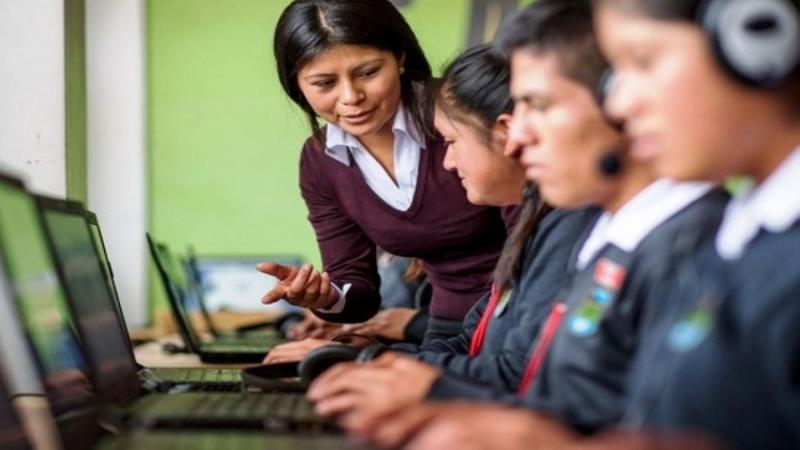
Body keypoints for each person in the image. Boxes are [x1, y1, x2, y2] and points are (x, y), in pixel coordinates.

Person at [328, 1, 730, 447]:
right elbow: (572, 397)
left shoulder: (688, 247)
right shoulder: (607, 239)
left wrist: (435, 389)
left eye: (538, 105)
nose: (516, 137)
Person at [304, 44, 598, 428]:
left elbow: (520, 372)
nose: (447, 161)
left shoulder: (562, 227)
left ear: (507, 133)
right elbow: (471, 339)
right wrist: (364, 359)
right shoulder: (534, 227)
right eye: (325, 82)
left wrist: (376, 361)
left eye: (452, 142)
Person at [258, 0, 515, 345]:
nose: (351, 97)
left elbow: (535, 241)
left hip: (520, 317)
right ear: (297, 85)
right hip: (446, 327)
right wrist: (327, 297)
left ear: (400, 57)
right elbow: (357, 291)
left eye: (368, 73)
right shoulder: (321, 161)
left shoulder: (461, 112)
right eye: (325, 83)